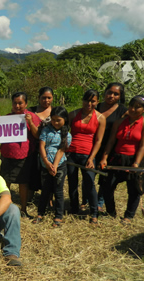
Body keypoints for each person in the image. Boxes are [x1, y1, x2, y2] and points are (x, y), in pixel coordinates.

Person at [99, 95, 144, 224]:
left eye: (137, 107)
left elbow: (142, 146)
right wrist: (104, 158)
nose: (133, 109)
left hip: (135, 159)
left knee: (134, 189)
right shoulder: (119, 122)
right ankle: (110, 211)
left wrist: (136, 163)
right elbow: (111, 141)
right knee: (107, 185)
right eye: (131, 106)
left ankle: (128, 216)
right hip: (117, 158)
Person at [67, 89, 106, 225]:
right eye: (86, 100)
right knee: (72, 183)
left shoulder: (100, 118)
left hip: (88, 155)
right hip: (71, 154)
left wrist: (91, 158)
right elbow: (65, 132)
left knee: (89, 183)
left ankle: (94, 212)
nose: (89, 103)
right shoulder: (73, 114)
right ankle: (74, 208)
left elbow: (99, 140)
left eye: (92, 101)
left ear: (97, 102)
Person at [0, 92, 41, 219]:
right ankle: (5, 209)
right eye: (15, 103)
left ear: (26, 104)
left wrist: (31, 123)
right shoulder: (6, 117)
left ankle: (23, 209)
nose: (17, 106)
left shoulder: (32, 116)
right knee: (5, 183)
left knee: (23, 183)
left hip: (24, 155)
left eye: (20, 103)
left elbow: (37, 135)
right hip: (6, 154)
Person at [34, 107, 72, 227]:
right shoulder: (46, 130)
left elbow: (61, 151)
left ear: (65, 120)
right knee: (45, 190)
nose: (55, 122)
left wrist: (54, 166)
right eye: (53, 120)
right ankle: (40, 213)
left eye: (58, 120)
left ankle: (58, 215)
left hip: (59, 166)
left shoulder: (67, 135)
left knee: (58, 191)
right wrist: (46, 162)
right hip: (45, 165)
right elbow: (41, 145)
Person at [96, 83, 127, 213]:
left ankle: (100, 202)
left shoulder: (123, 111)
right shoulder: (95, 106)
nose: (111, 96)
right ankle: (87, 200)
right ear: (105, 92)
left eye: (116, 94)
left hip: (110, 148)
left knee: (105, 176)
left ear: (120, 96)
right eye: (109, 92)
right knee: (89, 174)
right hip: (93, 145)